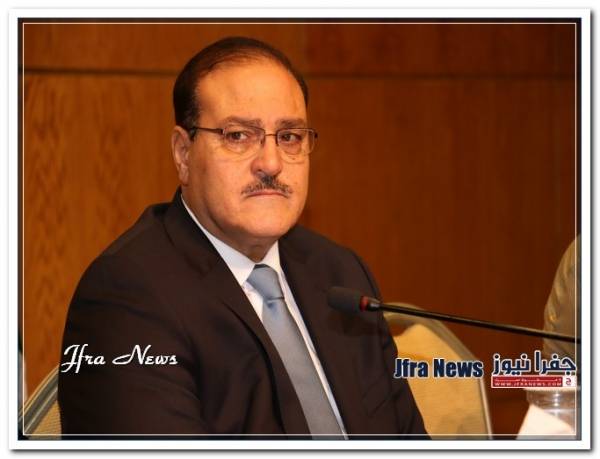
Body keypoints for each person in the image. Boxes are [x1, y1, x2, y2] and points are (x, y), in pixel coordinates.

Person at [58, 36, 427, 439]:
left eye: (289, 136)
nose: (271, 163)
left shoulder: (339, 273)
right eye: (238, 136)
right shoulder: (127, 296)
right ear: (183, 154)